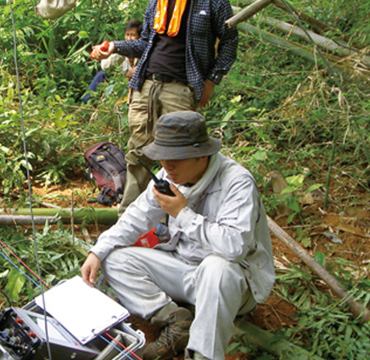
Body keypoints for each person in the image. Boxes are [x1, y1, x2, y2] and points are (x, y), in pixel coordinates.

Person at [80, 111, 274, 360]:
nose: (167, 166)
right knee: (113, 258)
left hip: (231, 282)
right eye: (163, 157)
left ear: (202, 154)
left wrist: (183, 214)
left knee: (217, 268)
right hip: (184, 269)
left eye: (176, 158)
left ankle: (203, 355)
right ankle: (175, 320)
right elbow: (135, 218)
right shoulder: (168, 176)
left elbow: (234, 248)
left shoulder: (236, 183)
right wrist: (97, 251)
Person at [90, 0, 238, 215]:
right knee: (138, 154)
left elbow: (229, 42)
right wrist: (115, 47)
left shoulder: (213, 2)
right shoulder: (157, 2)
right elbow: (145, 43)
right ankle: (129, 218)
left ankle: (176, 221)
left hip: (180, 87)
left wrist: (212, 79)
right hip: (145, 84)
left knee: (181, 155)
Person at [81, 19, 142, 102]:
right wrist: (123, 52)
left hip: (135, 86)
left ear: (140, 37)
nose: (129, 38)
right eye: (127, 35)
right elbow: (105, 66)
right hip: (118, 83)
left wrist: (138, 68)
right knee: (102, 74)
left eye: (133, 35)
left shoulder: (144, 51)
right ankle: (85, 103)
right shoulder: (121, 48)